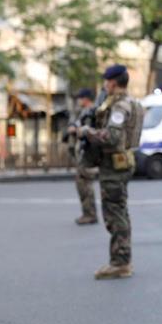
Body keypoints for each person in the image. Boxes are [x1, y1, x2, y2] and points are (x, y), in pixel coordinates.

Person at [78, 64, 142, 280]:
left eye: (106, 81)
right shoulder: (127, 102)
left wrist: (88, 132)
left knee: (115, 213)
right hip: (120, 163)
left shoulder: (119, 107)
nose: (105, 85)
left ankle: (120, 263)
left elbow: (112, 137)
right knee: (119, 211)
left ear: (113, 82)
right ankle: (122, 259)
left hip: (114, 166)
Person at [65, 88, 100, 224]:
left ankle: (90, 214)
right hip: (83, 153)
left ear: (85, 99)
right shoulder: (84, 112)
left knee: (85, 184)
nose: (78, 101)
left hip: (88, 154)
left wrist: (75, 130)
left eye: (80, 98)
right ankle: (88, 213)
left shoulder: (92, 112)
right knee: (82, 184)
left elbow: (90, 131)